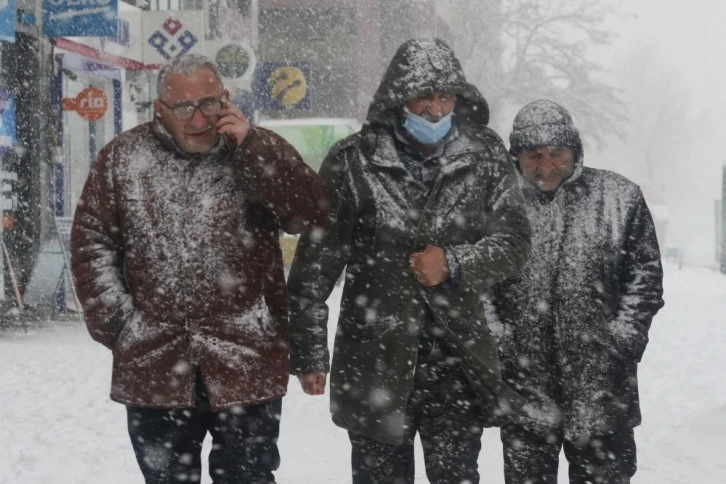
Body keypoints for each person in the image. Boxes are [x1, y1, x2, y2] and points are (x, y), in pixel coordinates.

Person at [70, 54, 329, 484]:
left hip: (246, 357)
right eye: (184, 107)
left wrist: (253, 148)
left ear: (226, 100)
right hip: (155, 363)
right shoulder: (123, 158)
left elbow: (310, 214)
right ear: (159, 109)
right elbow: (91, 245)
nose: (199, 118)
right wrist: (122, 325)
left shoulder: (255, 148)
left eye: (209, 103)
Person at [287, 38, 532, 484]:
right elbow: (314, 267)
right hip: (373, 358)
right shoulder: (353, 161)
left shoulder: (486, 156)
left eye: (445, 96)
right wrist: (309, 352)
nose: (437, 109)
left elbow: (514, 243)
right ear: (399, 97)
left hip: (457, 361)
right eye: (425, 96)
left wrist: (455, 262)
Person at [488, 100, 665, 484]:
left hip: (603, 391)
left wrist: (622, 340)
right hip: (525, 391)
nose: (546, 165)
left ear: (575, 151)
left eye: (556, 154)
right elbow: (476, 284)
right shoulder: (495, 205)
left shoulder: (619, 197)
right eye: (533, 155)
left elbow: (645, 279)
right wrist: (499, 340)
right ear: (515, 155)